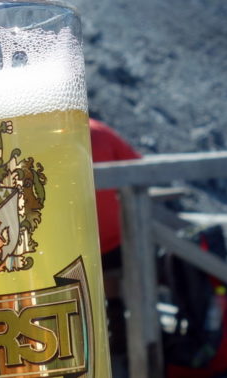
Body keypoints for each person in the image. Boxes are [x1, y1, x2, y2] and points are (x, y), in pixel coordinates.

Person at [88, 118, 140, 353]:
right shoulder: (99, 131)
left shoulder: (42, 132)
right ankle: (124, 329)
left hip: (69, 248)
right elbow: (138, 167)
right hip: (113, 244)